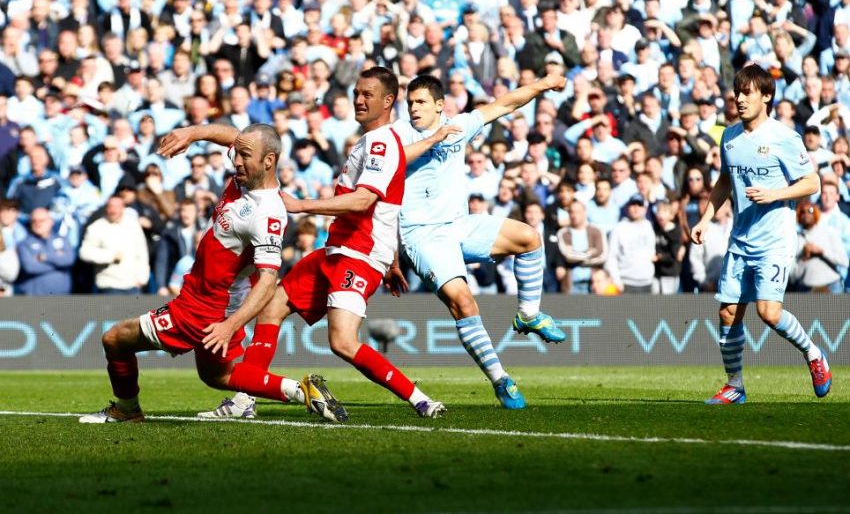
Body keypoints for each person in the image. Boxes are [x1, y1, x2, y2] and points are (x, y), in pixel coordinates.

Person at [160, 68, 453, 419]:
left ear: (388, 101)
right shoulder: (372, 141)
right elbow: (389, 202)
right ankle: (243, 401)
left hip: (358, 256)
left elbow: (363, 202)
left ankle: (421, 399)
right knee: (271, 308)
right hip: (337, 250)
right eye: (356, 92)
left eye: (367, 95)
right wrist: (391, 262)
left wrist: (299, 205)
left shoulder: (380, 143)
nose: (358, 100)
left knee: (342, 342)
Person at [80, 124, 344, 424]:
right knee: (217, 375)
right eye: (237, 153)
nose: (235, 160)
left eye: (244, 155)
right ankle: (302, 391)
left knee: (114, 339)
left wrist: (231, 325)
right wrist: (191, 133)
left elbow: (269, 279)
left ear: (268, 161)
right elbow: (234, 135)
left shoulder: (267, 212)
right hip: (211, 299)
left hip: (203, 307)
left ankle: (127, 410)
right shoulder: (248, 173)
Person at [391, 73, 568, 410]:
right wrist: (392, 257)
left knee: (529, 237)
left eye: (420, 102)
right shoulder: (398, 134)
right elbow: (396, 163)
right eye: (410, 102)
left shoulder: (458, 125)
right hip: (421, 234)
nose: (413, 108)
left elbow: (505, 103)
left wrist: (543, 84)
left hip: (458, 225)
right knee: (465, 303)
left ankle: (529, 314)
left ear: (439, 105)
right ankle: (501, 379)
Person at [690, 64, 830, 405]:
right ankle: (734, 385)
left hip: (775, 240)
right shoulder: (730, 136)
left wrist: (776, 194)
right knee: (727, 312)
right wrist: (706, 218)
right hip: (740, 237)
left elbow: (813, 182)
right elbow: (725, 179)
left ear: (766, 96)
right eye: (737, 92)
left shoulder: (784, 137)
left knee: (768, 312)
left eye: (747, 92)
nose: (739, 99)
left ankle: (814, 355)